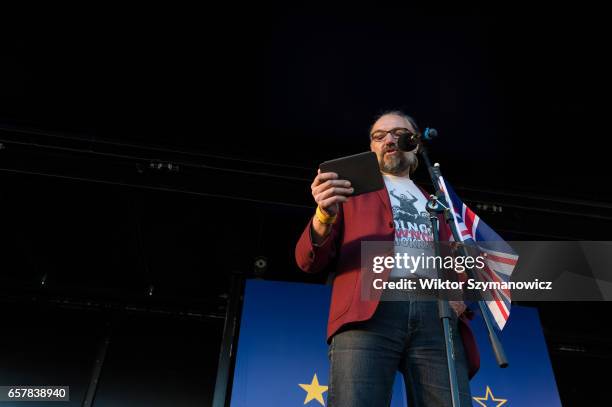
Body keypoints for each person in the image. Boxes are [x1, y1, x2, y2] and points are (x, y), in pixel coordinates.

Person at [295, 111, 479, 406]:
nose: (389, 140)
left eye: (398, 133)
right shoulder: (350, 190)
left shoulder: (439, 201)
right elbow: (308, 261)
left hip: (436, 312)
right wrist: (323, 215)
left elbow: (458, 258)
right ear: (371, 148)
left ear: (415, 144)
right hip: (370, 310)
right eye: (379, 136)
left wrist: (459, 294)